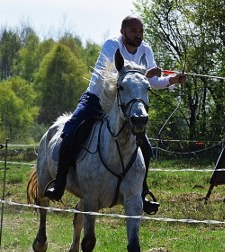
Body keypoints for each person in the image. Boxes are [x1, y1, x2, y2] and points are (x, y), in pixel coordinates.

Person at [44, 15, 186, 214]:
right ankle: (59, 184)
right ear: (123, 32)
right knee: (70, 131)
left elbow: (151, 82)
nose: (138, 36)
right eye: (133, 31)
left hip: (123, 104)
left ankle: (142, 192)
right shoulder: (112, 45)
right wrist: (146, 71)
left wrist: (172, 80)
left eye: (140, 32)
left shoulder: (146, 50)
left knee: (145, 146)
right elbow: (115, 73)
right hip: (97, 98)